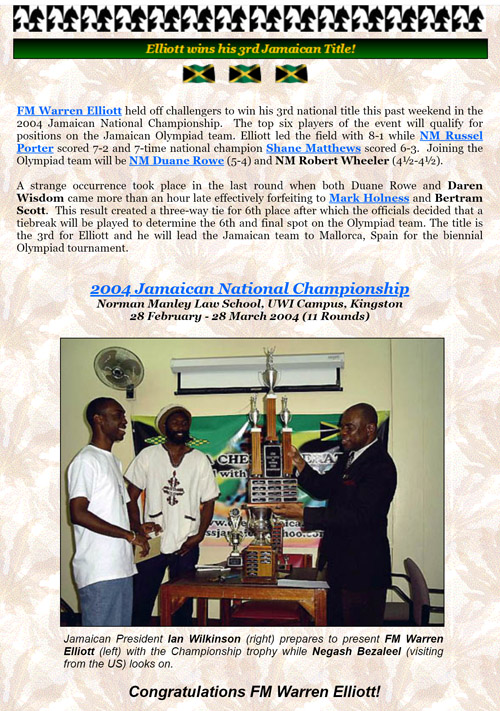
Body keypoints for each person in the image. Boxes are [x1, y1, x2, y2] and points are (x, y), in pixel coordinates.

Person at [272, 403, 397, 626]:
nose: (343, 433)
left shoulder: (380, 465)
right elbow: (322, 488)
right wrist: (300, 463)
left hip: (363, 573)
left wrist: (304, 514)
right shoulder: (348, 458)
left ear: (370, 429)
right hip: (338, 568)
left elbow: (359, 516)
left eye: (350, 428)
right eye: (342, 427)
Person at [126, 404, 219, 626]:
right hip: (153, 541)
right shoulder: (148, 455)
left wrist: (200, 535)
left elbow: (209, 501)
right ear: (164, 427)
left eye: (184, 422)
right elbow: (130, 496)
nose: (181, 426)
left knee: (183, 603)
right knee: (142, 597)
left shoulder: (199, 460)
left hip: (187, 540)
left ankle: (181, 648)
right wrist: (137, 527)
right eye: (175, 422)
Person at [67, 398, 149, 626]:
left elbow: (116, 512)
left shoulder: (114, 461)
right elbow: (78, 513)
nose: (124, 420)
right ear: (98, 419)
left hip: (121, 567)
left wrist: (138, 529)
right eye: (117, 415)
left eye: (123, 415)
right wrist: (128, 535)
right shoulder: (86, 461)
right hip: (100, 571)